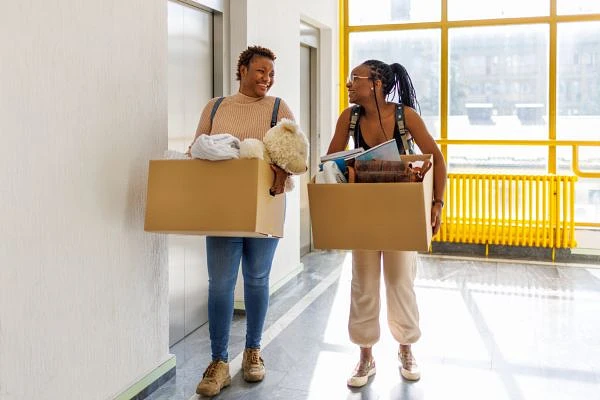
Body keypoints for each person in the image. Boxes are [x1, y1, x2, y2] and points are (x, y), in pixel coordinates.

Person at [326, 60, 447, 387]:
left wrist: (437, 203)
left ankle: (406, 349)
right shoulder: (348, 118)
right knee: (362, 283)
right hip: (363, 214)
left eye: (355, 79)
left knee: (399, 282)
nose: (349, 85)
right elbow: (330, 163)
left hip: (401, 215)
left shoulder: (404, 117)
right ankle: (365, 356)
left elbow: (435, 157)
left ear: (376, 83)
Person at [187, 45, 295, 397]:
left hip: (266, 203)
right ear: (243, 69)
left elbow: (296, 155)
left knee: (257, 278)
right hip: (222, 207)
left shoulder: (278, 108)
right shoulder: (216, 107)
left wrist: (281, 169)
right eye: (261, 71)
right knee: (219, 283)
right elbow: (196, 150)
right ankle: (219, 363)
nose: (268, 78)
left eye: (271, 74)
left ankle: (253, 352)